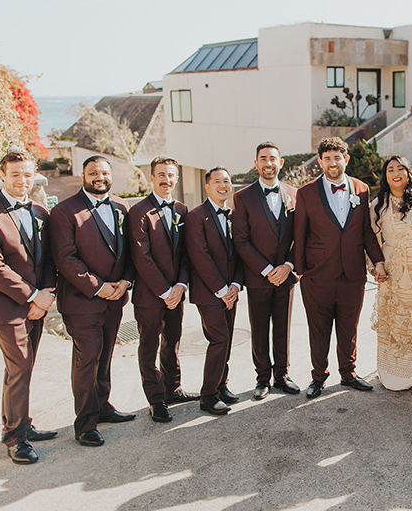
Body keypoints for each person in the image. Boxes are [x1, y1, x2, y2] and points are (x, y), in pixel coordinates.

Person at [0, 150, 57, 464]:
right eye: (16, 174)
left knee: (23, 367)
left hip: (38, 303)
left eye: (27, 174)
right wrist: (32, 297)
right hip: (6, 306)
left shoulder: (40, 212)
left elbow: (48, 259)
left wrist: (46, 293)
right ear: (2, 176)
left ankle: (23, 424)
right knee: (19, 365)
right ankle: (15, 438)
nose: (22, 180)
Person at [50, 156, 136, 447]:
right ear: (82, 175)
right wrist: (97, 287)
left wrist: (125, 281)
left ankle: (103, 406)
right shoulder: (64, 212)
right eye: (93, 173)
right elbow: (64, 257)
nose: (99, 177)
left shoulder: (123, 207)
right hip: (81, 301)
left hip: (115, 298)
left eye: (104, 172)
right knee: (88, 358)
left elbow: (130, 252)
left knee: (106, 354)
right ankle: (85, 423)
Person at [293, 136, 387, 399]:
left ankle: (348, 373)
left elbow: (367, 232)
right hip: (316, 274)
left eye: (337, 157)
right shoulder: (306, 192)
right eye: (327, 159)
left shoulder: (362, 188)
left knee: (349, 327)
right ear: (321, 162)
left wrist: (377, 260)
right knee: (319, 329)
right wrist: (300, 271)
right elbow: (299, 234)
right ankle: (318, 377)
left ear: (345, 159)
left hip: (352, 273)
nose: (332, 163)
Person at [128, 157, 199, 424]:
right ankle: (156, 399)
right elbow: (141, 256)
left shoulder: (182, 209)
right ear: (152, 178)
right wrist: (165, 290)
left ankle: (173, 389)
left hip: (176, 294)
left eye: (171, 175)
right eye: (161, 175)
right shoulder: (139, 212)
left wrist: (180, 285)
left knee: (173, 341)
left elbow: (185, 253)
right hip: (150, 296)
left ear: (176, 178)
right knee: (149, 347)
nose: (166, 180)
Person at [232, 142, 301, 400]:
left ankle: (282, 375)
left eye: (273, 158)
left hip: (286, 276)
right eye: (263, 158)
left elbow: (300, 237)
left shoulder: (295, 194)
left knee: (282, 328)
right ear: (256, 164)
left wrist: (288, 266)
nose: (268, 163)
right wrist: (267, 269)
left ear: (280, 163)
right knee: (259, 329)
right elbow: (240, 240)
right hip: (259, 277)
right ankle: (262, 378)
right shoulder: (242, 197)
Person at [369, 155, 412, 391]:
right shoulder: (378, 204)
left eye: (401, 168)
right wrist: (375, 265)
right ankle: (394, 371)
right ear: (385, 176)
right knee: (397, 322)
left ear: (409, 172)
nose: (396, 173)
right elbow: (371, 239)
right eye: (390, 169)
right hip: (393, 272)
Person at [185, 167, 245, 415]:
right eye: (217, 181)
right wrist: (222, 290)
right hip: (209, 292)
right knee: (218, 339)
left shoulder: (234, 215)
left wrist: (236, 285)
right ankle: (208, 395)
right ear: (207, 187)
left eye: (227, 181)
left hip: (231, 290)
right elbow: (201, 257)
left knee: (227, 339)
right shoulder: (196, 217)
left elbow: (240, 252)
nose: (223, 185)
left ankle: (222, 385)